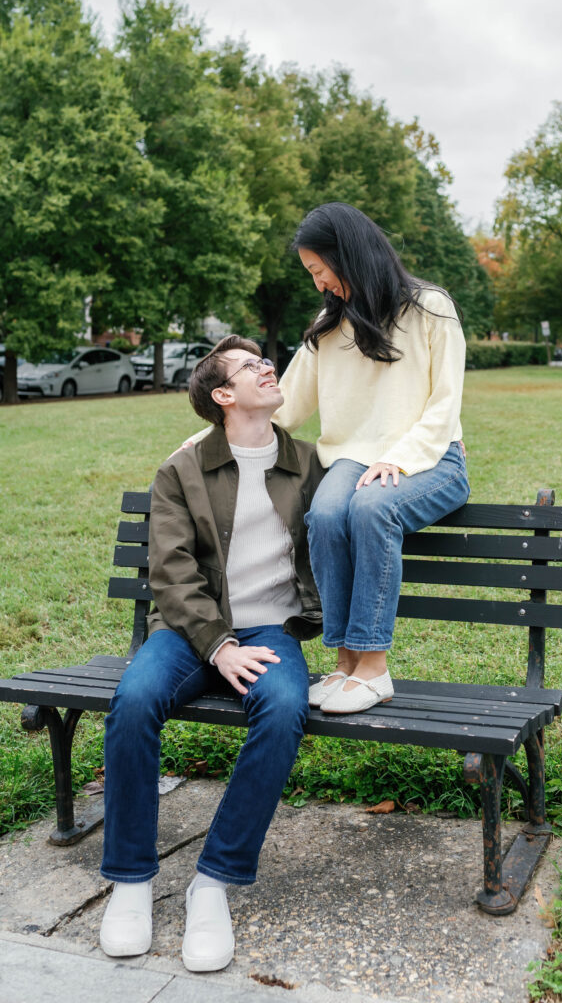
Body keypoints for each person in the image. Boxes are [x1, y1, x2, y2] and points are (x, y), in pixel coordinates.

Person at [181, 202, 470, 717]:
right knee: (328, 512)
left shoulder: (430, 307)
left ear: (347, 255)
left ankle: (374, 668)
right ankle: (344, 663)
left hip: (432, 459)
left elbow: (445, 405)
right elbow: (285, 403)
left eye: (319, 270)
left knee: (372, 509)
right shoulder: (328, 326)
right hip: (356, 461)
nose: (318, 284)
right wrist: (210, 437)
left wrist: (400, 460)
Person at [99, 335, 323, 973]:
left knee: (283, 712)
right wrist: (217, 644)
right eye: (253, 367)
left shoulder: (308, 463)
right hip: (194, 632)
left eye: (265, 362)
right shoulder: (182, 469)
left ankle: (213, 884)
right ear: (224, 396)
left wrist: (440, 449)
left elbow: (363, 491)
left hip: (271, 633)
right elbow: (170, 573)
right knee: (135, 699)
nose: (268, 368)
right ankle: (131, 880)